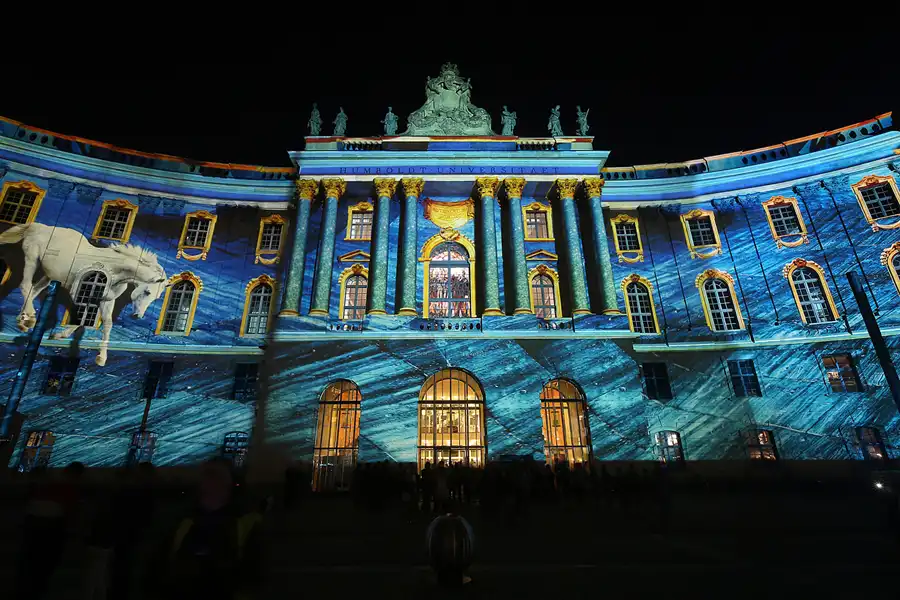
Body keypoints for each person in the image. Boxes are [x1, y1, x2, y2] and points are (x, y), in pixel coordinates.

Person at [148, 458, 263, 600]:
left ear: (230, 482)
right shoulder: (180, 519)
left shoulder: (247, 522)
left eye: (217, 476)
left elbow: (254, 571)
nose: (212, 481)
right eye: (207, 475)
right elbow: (159, 562)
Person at [14, 461, 86, 599]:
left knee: (29, 567)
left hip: (37, 529)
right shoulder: (68, 490)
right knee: (42, 569)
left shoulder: (44, 489)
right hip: (51, 531)